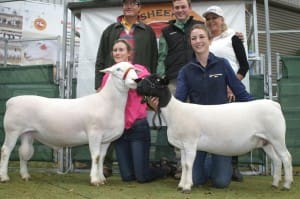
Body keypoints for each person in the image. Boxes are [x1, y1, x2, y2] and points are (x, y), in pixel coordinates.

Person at [175, 24, 253, 188]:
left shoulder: (222, 64)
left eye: (202, 37)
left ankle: (220, 164)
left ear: (209, 40)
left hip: (221, 130)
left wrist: (258, 107)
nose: (198, 41)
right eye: (194, 38)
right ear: (190, 43)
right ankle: (205, 164)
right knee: (196, 180)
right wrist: (161, 105)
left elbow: (240, 91)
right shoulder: (186, 71)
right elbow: (179, 101)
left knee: (221, 182)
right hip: (198, 131)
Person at [94, 0, 158, 177]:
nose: (128, 6)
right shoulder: (110, 30)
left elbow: (153, 59)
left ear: (139, 7)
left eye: (133, 3)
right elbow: (100, 59)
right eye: (125, 3)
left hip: (136, 91)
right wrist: (99, 86)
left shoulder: (148, 32)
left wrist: (147, 89)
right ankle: (105, 164)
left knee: (141, 175)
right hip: (114, 88)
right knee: (109, 125)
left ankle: (158, 169)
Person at [99, 39, 173, 183]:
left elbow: (148, 87)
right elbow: (103, 98)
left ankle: (164, 169)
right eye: (115, 50)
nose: (117, 52)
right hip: (119, 130)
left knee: (142, 177)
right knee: (127, 177)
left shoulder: (140, 70)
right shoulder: (108, 75)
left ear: (129, 54)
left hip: (138, 127)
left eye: (121, 50)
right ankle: (145, 165)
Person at [156, 0, 204, 180]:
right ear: (173, 10)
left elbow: (208, 48)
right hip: (174, 82)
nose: (180, 10)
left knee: (199, 124)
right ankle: (179, 168)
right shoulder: (166, 31)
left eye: (183, 6)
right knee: (177, 126)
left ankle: (197, 167)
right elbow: (161, 57)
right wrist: (161, 81)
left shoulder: (199, 27)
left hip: (197, 79)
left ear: (189, 8)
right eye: (177, 7)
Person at [203, 5, 250, 182]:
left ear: (222, 20)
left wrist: (232, 85)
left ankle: (233, 167)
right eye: (208, 19)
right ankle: (214, 166)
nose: (212, 21)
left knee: (232, 129)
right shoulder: (206, 40)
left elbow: (244, 66)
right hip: (212, 92)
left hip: (232, 92)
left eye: (215, 18)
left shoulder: (233, 38)